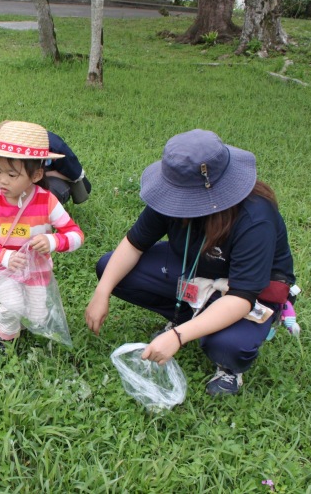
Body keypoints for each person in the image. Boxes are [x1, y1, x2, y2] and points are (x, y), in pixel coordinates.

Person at [84, 129, 295, 396]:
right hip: (195, 271)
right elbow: (134, 244)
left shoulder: (255, 218)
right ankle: (186, 316)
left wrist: (178, 337)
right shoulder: (170, 196)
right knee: (110, 269)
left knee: (228, 347)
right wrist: (101, 292)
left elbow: (242, 296)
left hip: (243, 292)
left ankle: (230, 366)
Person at [0, 121, 84, 348]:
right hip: (3, 267)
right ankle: (4, 335)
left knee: (38, 315)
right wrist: (2, 256)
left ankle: (16, 322)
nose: (2, 180)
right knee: (12, 306)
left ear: (37, 174)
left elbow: (76, 235)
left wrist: (53, 240)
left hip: (36, 269)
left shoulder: (47, 201)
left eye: (12, 174)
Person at [0, 121, 91, 209]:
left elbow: (76, 176)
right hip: (38, 175)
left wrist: (49, 173)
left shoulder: (56, 147)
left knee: (48, 193)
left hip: (51, 180)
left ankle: (41, 214)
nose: (3, 179)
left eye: (11, 173)